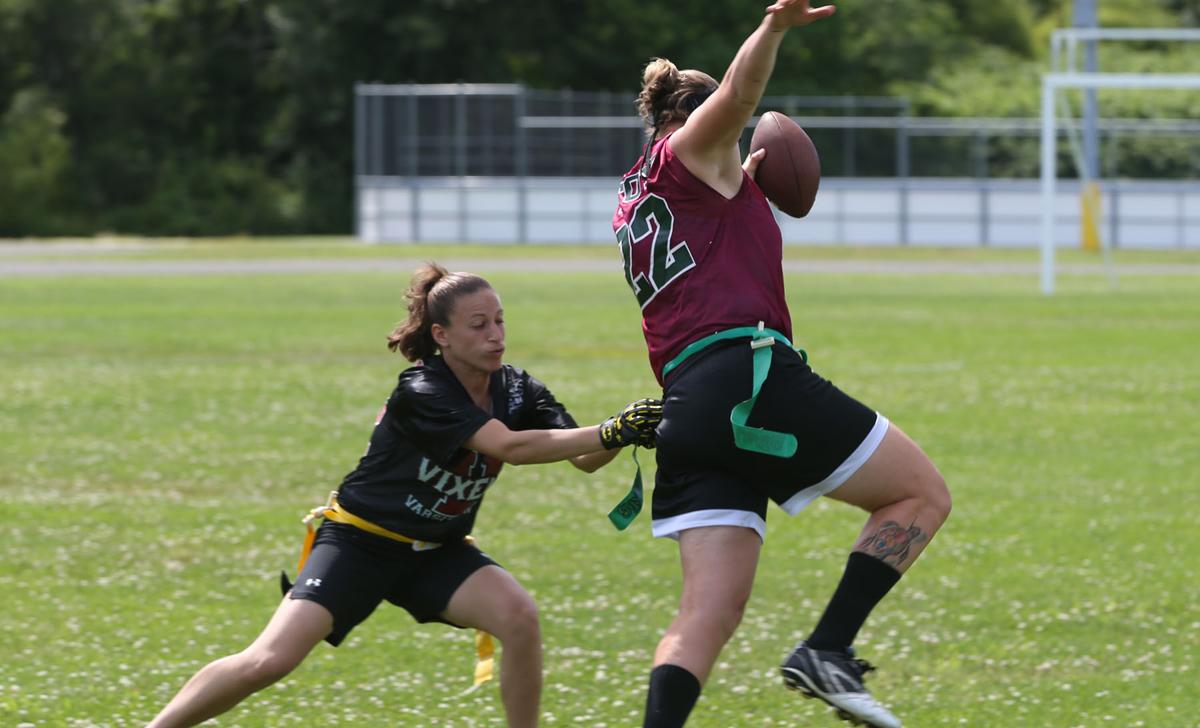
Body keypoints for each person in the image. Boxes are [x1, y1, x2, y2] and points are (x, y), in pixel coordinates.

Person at [611, 2, 952, 727]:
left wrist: (745, 184)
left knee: (706, 614)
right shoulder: (691, 153)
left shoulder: (641, 191)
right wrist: (773, 30)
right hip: (747, 380)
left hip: (688, 408)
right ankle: (827, 649)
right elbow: (738, 97)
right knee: (920, 496)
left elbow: (714, 224)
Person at [147, 264, 662, 728]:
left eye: (500, 321)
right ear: (442, 335)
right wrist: (613, 430)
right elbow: (510, 446)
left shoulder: (519, 388)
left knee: (520, 617)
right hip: (360, 542)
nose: (496, 335)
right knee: (270, 660)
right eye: (478, 325)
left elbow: (584, 456)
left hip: (436, 550)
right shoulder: (422, 390)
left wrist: (639, 428)